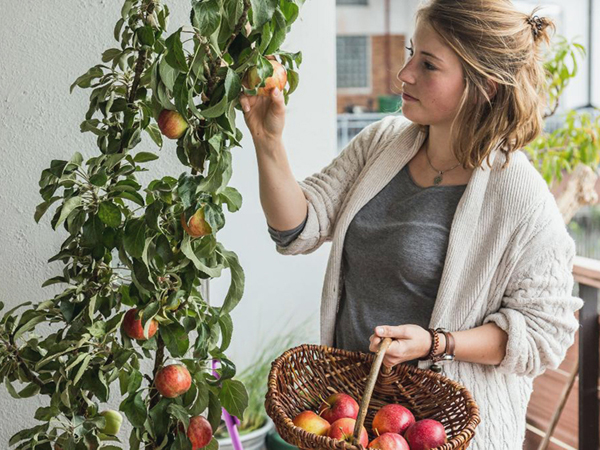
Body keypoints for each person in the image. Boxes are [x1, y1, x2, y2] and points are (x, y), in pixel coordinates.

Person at [238, 1, 583, 448]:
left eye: (428, 65)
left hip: (449, 435)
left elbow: (543, 333)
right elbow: (297, 227)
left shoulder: (521, 197)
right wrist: (268, 141)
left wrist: (437, 343)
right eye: (409, 53)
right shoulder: (382, 143)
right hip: (355, 423)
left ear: (485, 87)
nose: (404, 74)